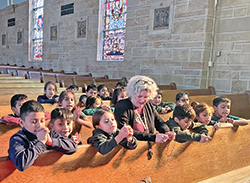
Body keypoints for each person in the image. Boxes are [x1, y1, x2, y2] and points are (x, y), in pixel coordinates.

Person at [8, 100, 77, 171]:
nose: (39, 125)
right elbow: (21, 164)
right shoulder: (17, 139)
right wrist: (40, 143)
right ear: (22, 123)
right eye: (34, 122)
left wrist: (51, 141)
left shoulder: (49, 134)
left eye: (42, 121)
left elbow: (73, 147)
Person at [114, 75, 176, 143]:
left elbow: (159, 122)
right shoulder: (122, 105)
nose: (142, 100)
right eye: (139, 96)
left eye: (146, 97)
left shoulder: (148, 105)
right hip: (131, 147)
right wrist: (153, 138)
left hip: (147, 147)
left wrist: (167, 132)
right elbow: (125, 131)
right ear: (132, 94)